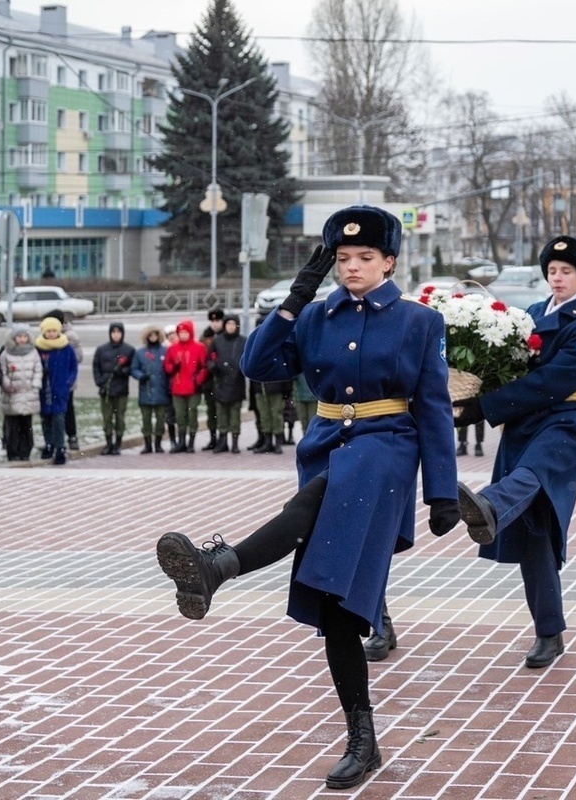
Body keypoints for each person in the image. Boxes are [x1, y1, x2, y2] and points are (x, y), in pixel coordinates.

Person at [155, 205, 459, 790]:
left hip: (387, 450)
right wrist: (296, 296)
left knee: (323, 501)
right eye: (342, 260)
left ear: (390, 260)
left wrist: (441, 493)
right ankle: (362, 738)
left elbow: (434, 408)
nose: (352, 268)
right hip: (325, 448)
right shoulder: (318, 316)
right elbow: (256, 362)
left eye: (365, 258)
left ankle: (220, 567)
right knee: (336, 607)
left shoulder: (419, 323)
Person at [453, 234, 576, 670]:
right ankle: (549, 632)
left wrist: (484, 408)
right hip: (525, 422)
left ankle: (490, 504)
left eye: (566, 272)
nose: (557, 278)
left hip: (565, 419)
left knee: (534, 474)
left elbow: (553, 382)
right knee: (536, 535)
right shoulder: (535, 314)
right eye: (552, 271)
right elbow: (507, 365)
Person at [37, 316, 78, 465]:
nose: (51, 334)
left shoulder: (66, 348)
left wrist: (68, 382)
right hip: (44, 390)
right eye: (49, 331)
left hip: (60, 389)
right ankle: (49, 444)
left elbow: (73, 367)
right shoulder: (39, 348)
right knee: (45, 418)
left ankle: (60, 447)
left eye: (54, 331)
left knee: (59, 418)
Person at [163, 319, 208, 453]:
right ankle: (181, 441)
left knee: (192, 413)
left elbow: (204, 366)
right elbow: (167, 366)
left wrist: (198, 380)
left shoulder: (198, 347)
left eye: (185, 332)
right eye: (180, 332)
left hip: (192, 387)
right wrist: (173, 367)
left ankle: (191, 442)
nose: (183, 335)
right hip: (178, 387)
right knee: (180, 415)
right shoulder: (173, 348)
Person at [0, 323, 41, 462]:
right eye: (19, 336)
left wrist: (34, 385)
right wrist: (6, 385)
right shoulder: (6, 353)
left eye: (24, 336)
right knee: (13, 425)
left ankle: (25, 451)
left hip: (28, 394)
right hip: (13, 395)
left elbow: (38, 370)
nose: (22, 339)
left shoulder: (33, 352)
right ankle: (13, 451)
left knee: (26, 425)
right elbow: (2, 372)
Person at [93, 322, 136, 455]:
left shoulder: (129, 350)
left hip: (121, 389)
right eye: (113, 332)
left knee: (119, 417)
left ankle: (118, 444)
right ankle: (108, 443)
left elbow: (133, 367)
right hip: (106, 389)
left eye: (118, 332)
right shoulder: (101, 350)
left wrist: (123, 371)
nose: (116, 335)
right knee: (107, 418)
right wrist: (99, 382)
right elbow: (96, 366)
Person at [42, 310, 83, 451]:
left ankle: (72, 436)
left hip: (65, 382)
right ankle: (52, 440)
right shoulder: (45, 336)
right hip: (50, 383)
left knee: (67, 410)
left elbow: (77, 358)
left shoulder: (70, 336)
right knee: (50, 412)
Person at [209, 315, 247, 453]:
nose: (230, 327)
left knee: (235, 415)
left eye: (233, 324)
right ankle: (222, 441)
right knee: (222, 415)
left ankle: (235, 442)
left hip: (237, 383)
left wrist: (240, 370)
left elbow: (247, 359)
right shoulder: (217, 341)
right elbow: (209, 358)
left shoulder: (243, 341)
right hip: (220, 382)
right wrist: (214, 367)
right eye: (228, 324)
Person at [131, 325, 170, 454]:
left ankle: (158, 444)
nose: (153, 337)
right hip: (146, 390)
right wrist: (141, 376)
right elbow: (134, 369)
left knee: (160, 420)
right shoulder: (140, 353)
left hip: (161, 390)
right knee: (146, 420)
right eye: (151, 335)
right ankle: (147, 444)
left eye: (155, 335)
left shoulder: (165, 351)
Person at [199, 308, 224, 450]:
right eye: (212, 321)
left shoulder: (226, 334)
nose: (215, 324)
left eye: (217, 321)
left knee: (221, 412)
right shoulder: (205, 336)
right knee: (211, 411)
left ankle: (223, 438)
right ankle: (212, 438)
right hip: (208, 380)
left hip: (222, 380)